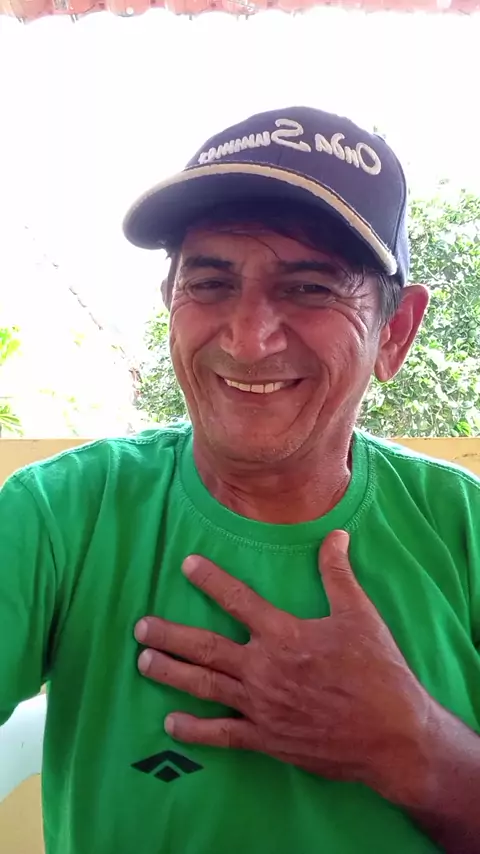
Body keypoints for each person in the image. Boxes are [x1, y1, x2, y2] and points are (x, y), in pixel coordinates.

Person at [1, 106, 479, 854]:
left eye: (311, 288)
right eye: (210, 282)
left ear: (395, 332)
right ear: (170, 302)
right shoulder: (57, 515)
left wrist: (412, 743)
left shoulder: (465, 529)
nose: (248, 339)